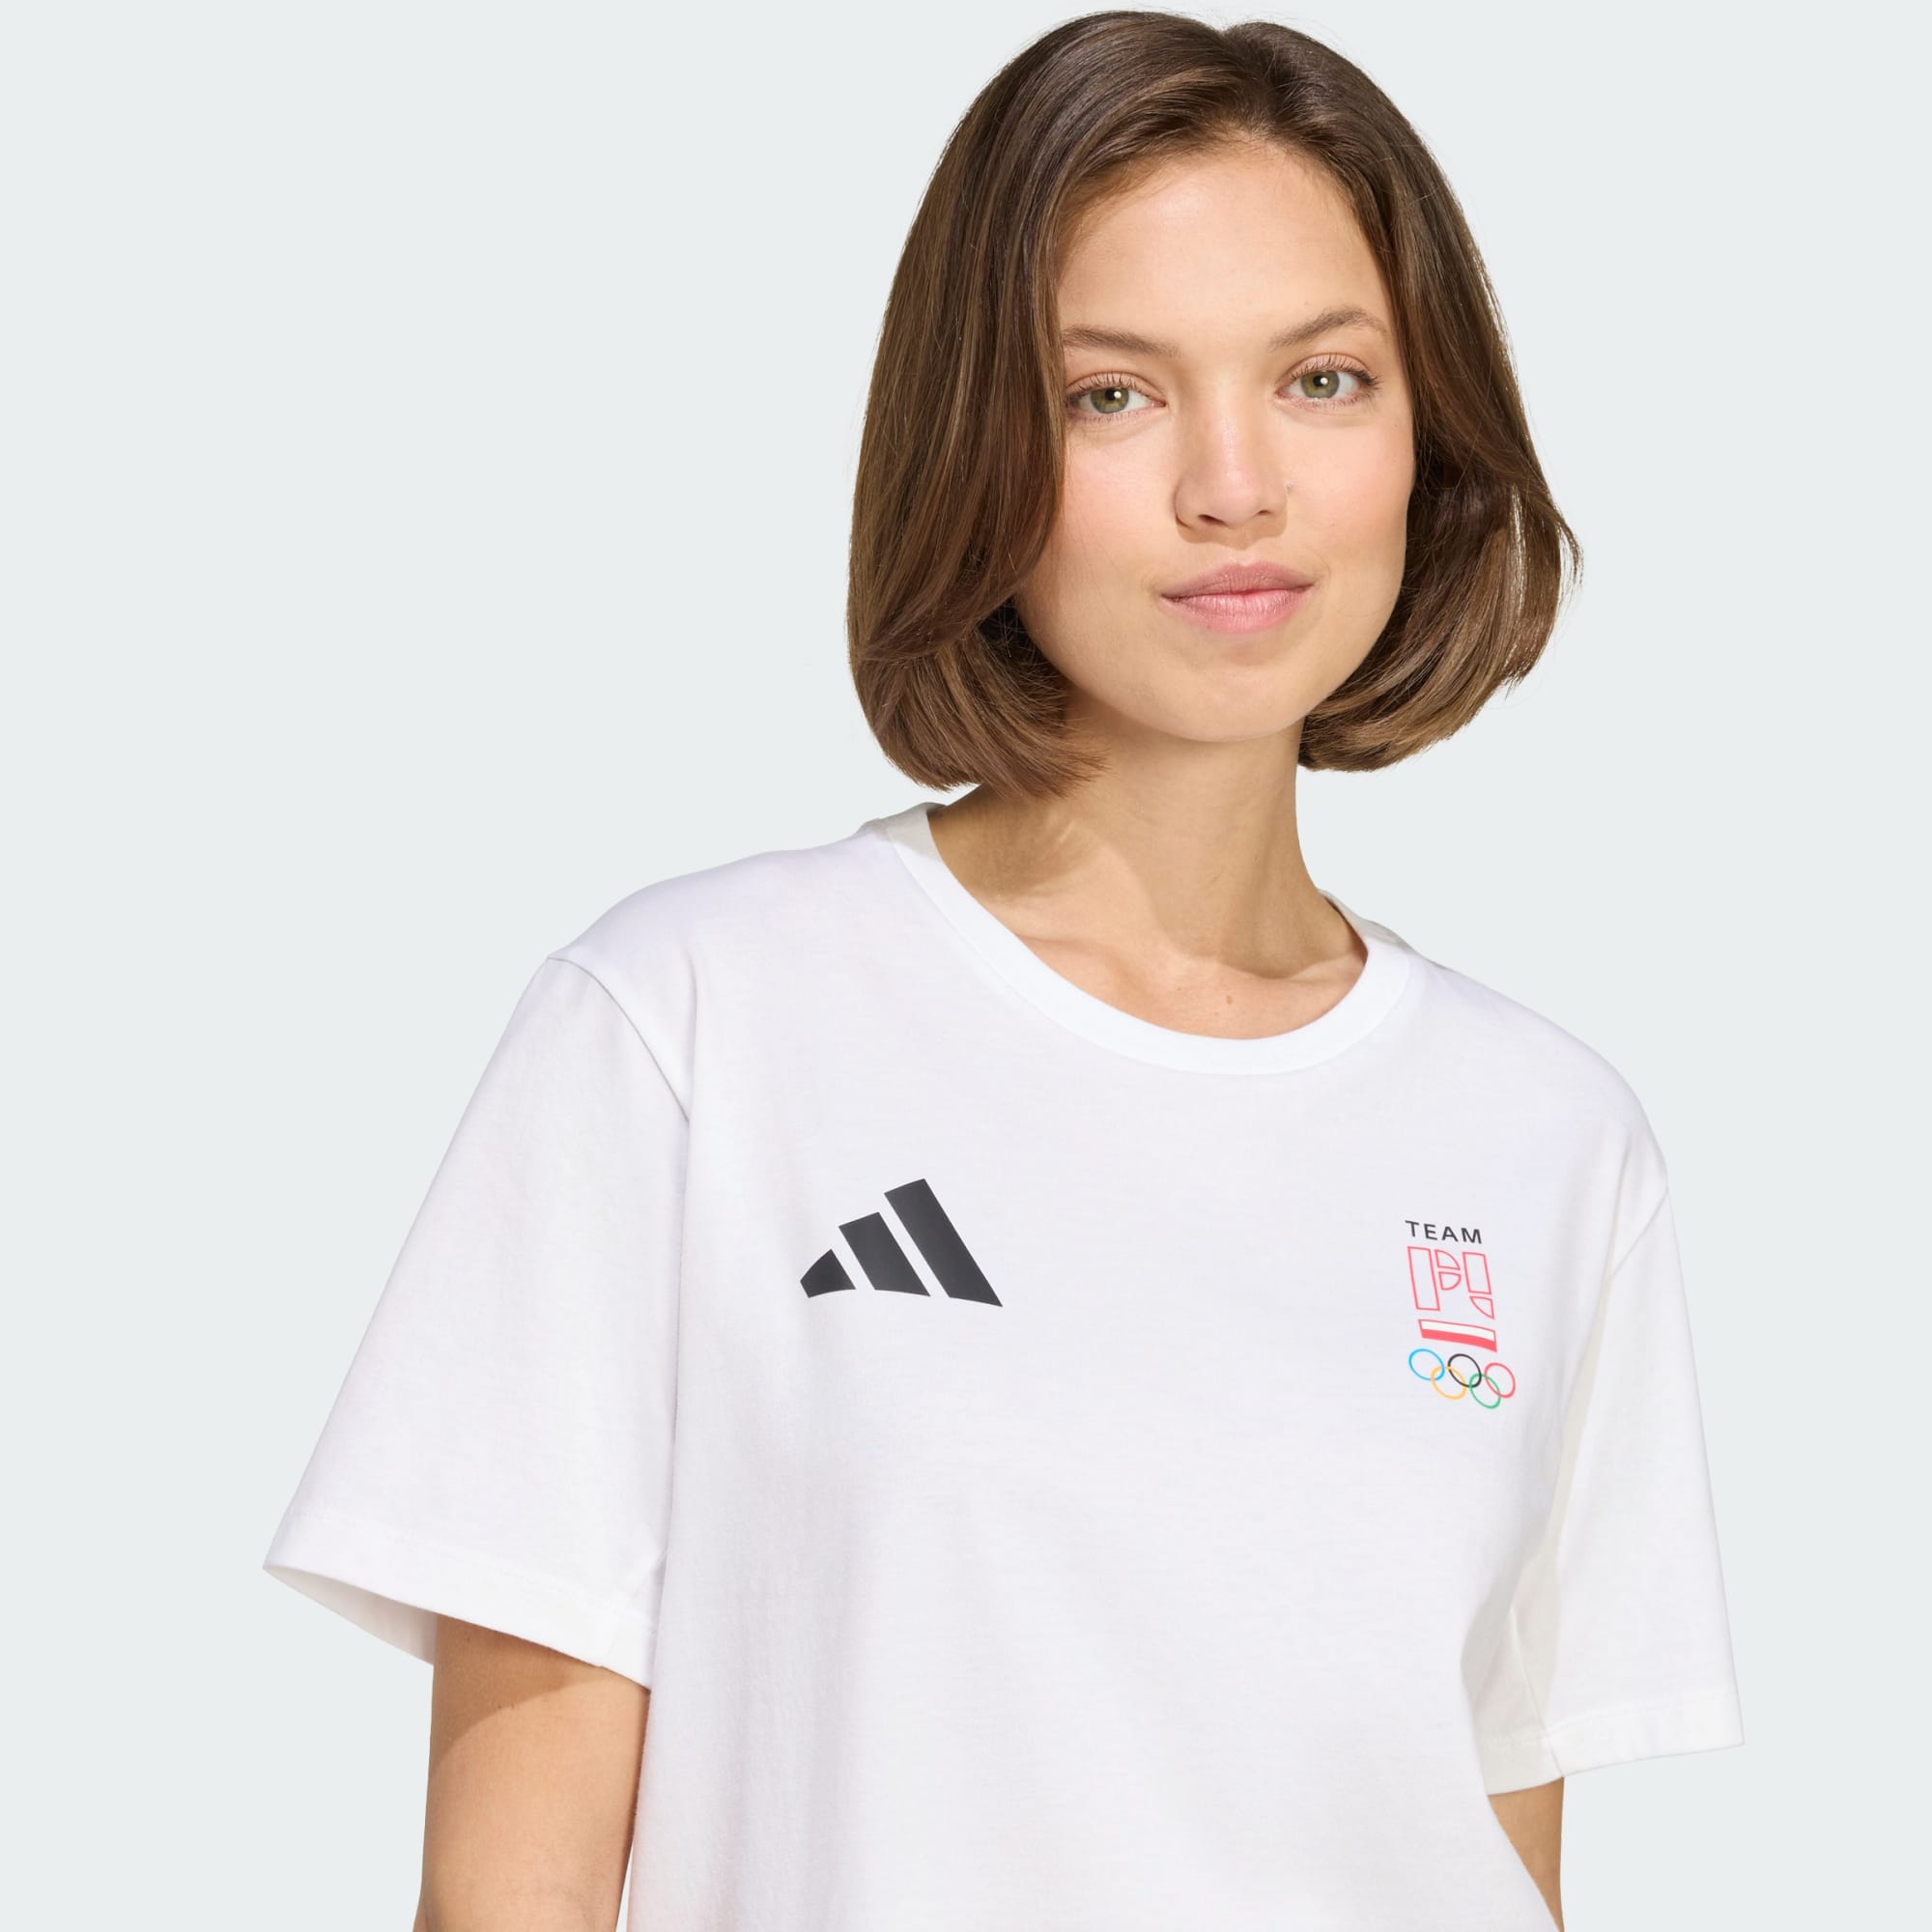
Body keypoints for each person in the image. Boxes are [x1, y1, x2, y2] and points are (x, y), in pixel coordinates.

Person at [262, 14, 1744, 1930]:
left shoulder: (1547, 1138)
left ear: (1427, 436)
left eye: (1322, 378)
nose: (1235, 485)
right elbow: (507, 1894)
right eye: (1112, 395)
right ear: (980, 446)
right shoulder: (694, 1026)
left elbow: (1493, 1855)